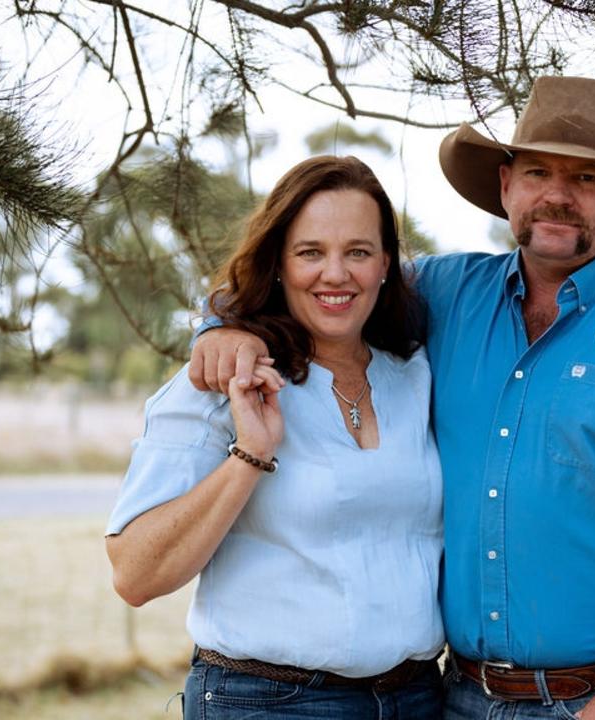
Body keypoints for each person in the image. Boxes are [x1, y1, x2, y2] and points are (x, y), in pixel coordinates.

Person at [191, 77, 595, 720]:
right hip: (458, 699)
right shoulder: (446, 294)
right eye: (538, 171)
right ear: (505, 187)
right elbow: (327, 287)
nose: (557, 196)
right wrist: (226, 324)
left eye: (587, 180)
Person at [105, 156, 445, 720]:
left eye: (357, 252)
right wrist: (250, 455)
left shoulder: (417, 377)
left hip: (415, 699)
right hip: (270, 702)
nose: (335, 274)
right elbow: (135, 575)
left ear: (387, 264)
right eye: (310, 252)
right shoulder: (223, 381)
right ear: (280, 265)